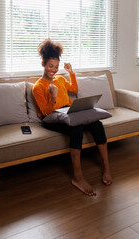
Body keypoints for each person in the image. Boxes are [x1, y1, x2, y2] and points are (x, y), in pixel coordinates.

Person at [33, 39, 112, 196]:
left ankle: (106, 167)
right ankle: (77, 177)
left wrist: (71, 72)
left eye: (56, 67)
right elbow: (47, 112)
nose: (53, 70)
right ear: (43, 64)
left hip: (68, 113)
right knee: (76, 129)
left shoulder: (61, 79)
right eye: (50, 66)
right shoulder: (38, 87)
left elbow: (74, 88)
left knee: (96, 123)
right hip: (51, 118)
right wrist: (53, 98)